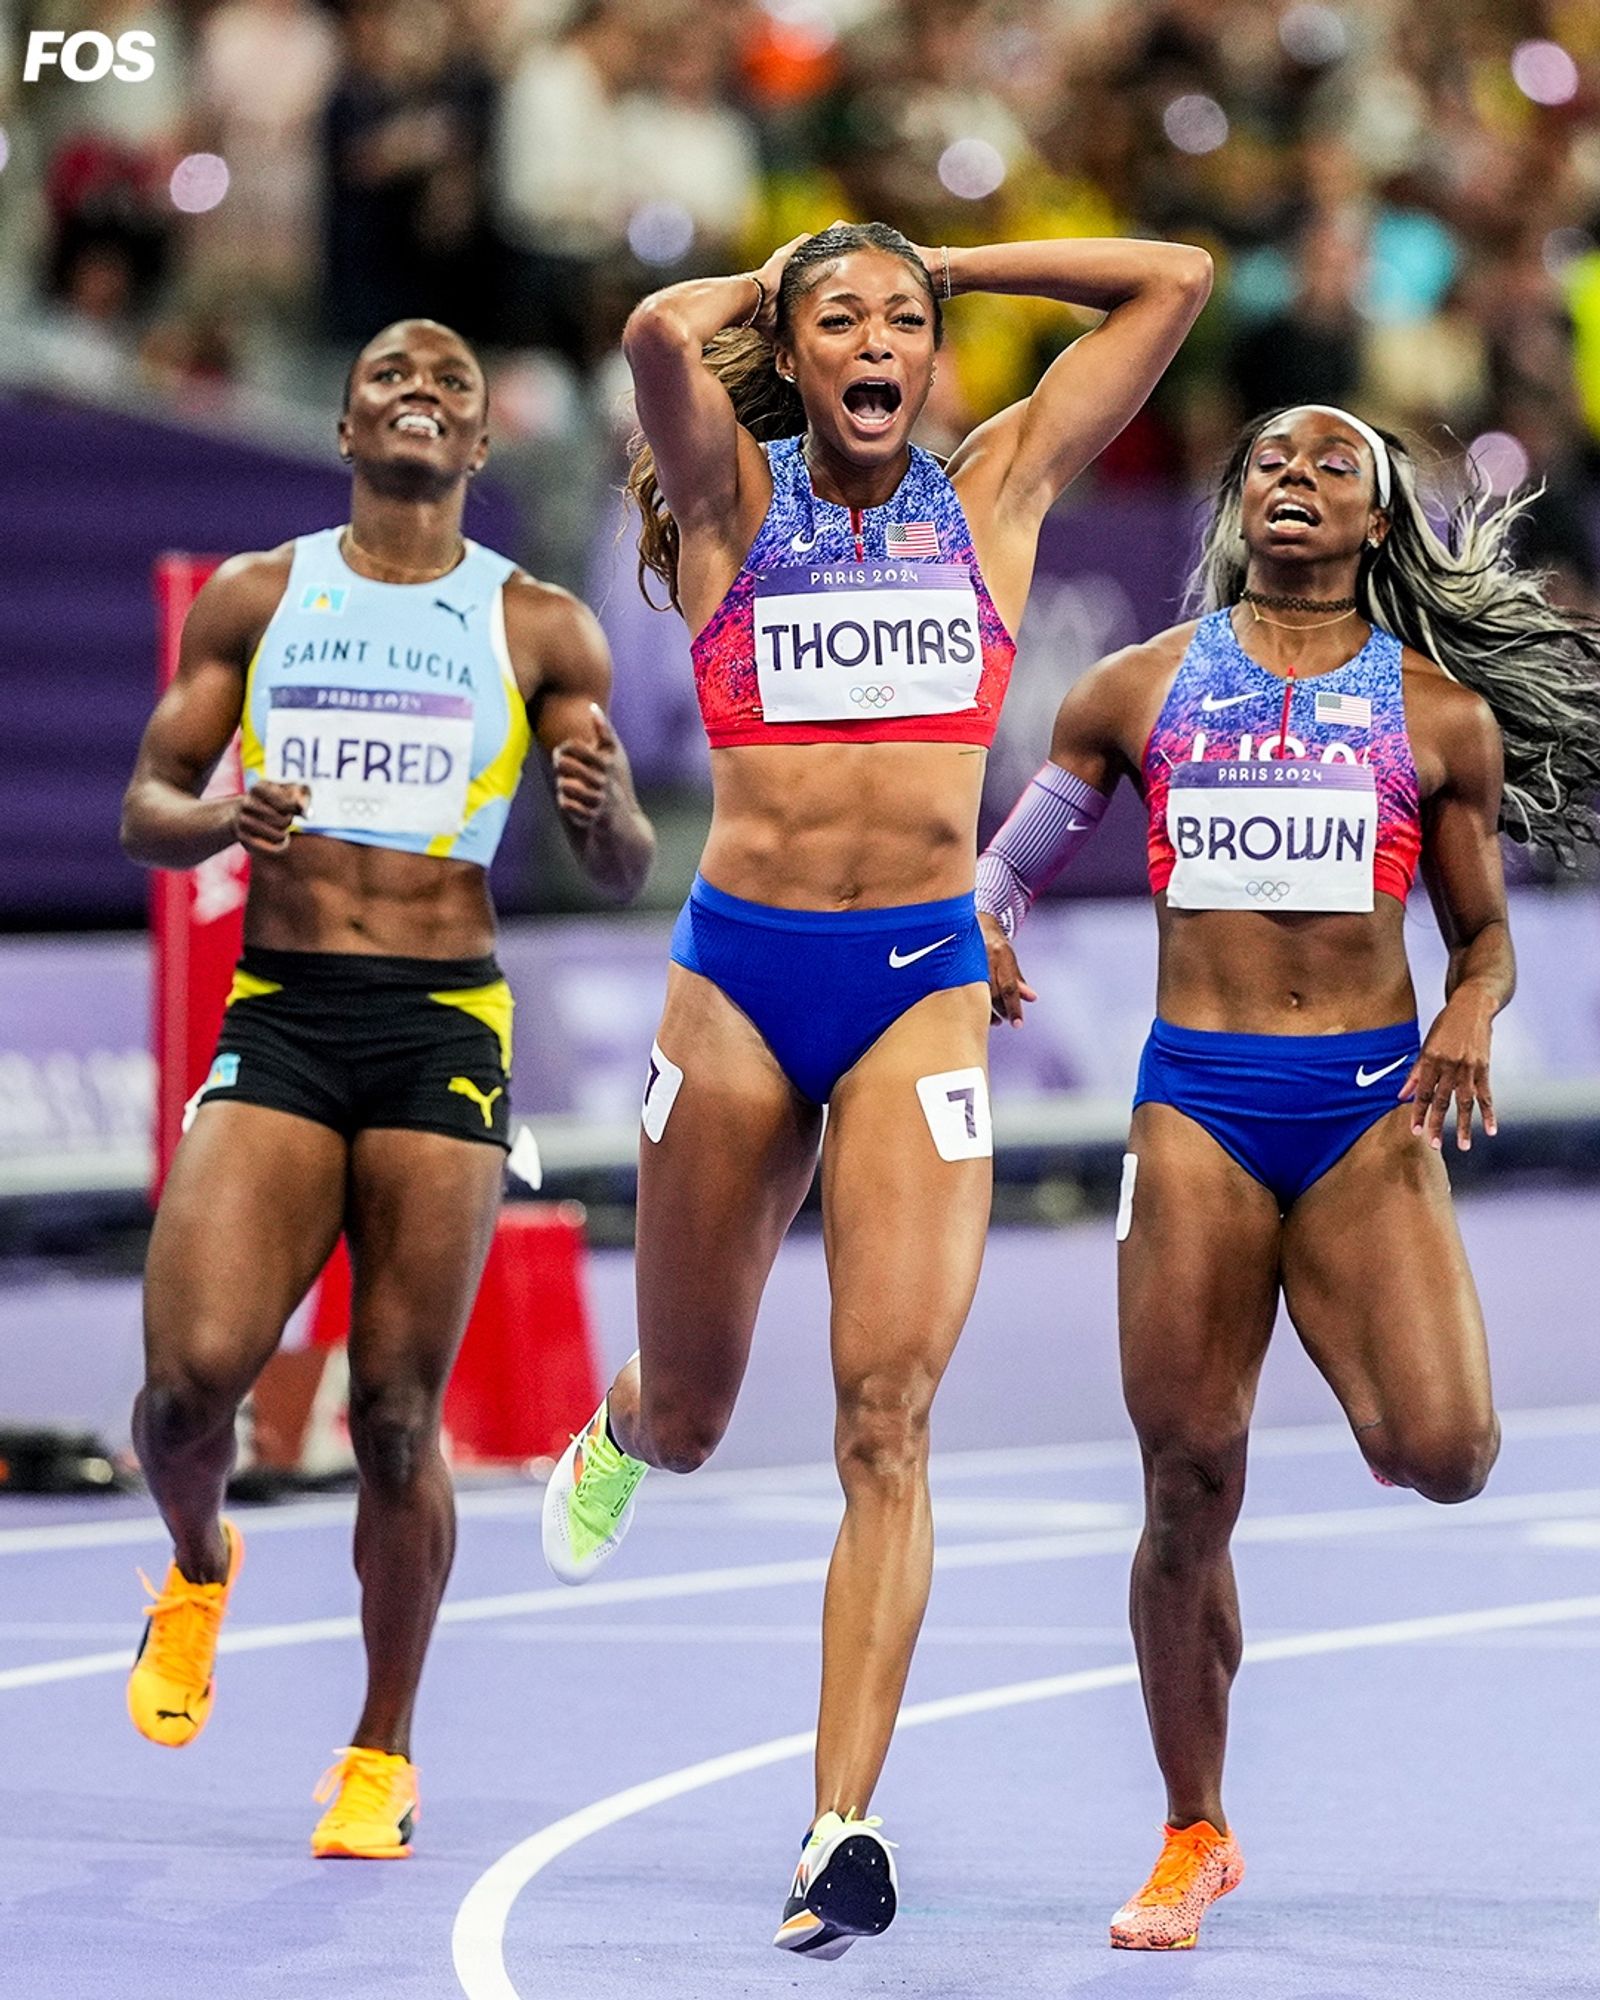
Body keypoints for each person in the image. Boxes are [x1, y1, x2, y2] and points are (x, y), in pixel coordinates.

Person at [540, 219, 1212, 1956]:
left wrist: (953, 263)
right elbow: (646, 329)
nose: (879, 342)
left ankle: (840, 1824)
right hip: (743, 987)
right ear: (790, 343)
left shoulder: (995, 491)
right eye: (843, 319)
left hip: (921, 984)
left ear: (935, 357)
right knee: (695, 1417)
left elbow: (1178, 280)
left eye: (906, 325)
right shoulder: (729, 501)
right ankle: (624, 1419)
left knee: (885, 1423)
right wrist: (787, 286)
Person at [975, 404, 1600, 1950]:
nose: (1297, 483)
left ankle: (1365, 1370)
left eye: (1334, 468)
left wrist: (1469, 1005)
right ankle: (1194, 1832)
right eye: (1270, 464)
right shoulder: (1141, 687)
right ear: (1238, 505)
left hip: (1363, 1119)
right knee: (1187, 1484)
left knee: (1448, 1453)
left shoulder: (1441, 717)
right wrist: (985, 914)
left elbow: (1490, 939)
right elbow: (1010, 860)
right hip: (1198, 1107)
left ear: (1380, 523)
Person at [119, 317, 654, 1858]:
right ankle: (199, 1559)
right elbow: (146, 807)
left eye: (450, 389)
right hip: (284, 1016)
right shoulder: (260, 595)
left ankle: (378, 1754)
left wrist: (608, 809)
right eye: (385, 383)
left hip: (440, 1028)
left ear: (481, 448)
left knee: (401, 1418)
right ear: (346, 431)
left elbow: (616, 870)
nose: (418, 398)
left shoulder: (543, 625)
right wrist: (218, 813)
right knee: (180, 1391)